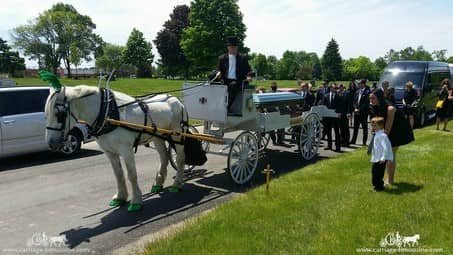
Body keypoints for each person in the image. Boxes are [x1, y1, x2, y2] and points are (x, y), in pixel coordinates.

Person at [369, 89, 414, 185]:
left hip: (397, 130)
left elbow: (389, 121)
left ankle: (390, 180)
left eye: (373, 98)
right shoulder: (374, 105)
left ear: (379, 98)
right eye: (370, 98)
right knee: (388, 155)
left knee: (391, 155)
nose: (371, 100)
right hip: (386, 130)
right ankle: (387, 178)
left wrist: (384, 137)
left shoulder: (389, 107)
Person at [215, 36, 252, 112]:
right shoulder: (222, 58)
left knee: (233, 85)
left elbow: (249, 70)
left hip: (238, 81)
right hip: (225, 80)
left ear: (237, 48)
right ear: (228, 47)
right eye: (231, 47)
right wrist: (218, 72)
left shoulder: (243, 58)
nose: (233, 49)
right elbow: (218, 69)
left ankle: (227, 107)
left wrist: (249, 76)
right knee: (214, 84)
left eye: (235, 47)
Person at [368, 117, 393, 192]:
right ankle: (377, 186)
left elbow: (386, 148)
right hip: (377, 158)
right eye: (372, 125)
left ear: (381, 126)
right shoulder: (377, 134)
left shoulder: (382, 136)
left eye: (374, 125)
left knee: (377, 174)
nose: (372, 127)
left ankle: (378, 187)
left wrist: (383, 158)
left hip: (381, 159)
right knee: (374, 172)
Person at [350, 79, 370, 146]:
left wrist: (359, 109)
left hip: (363, 113)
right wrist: (355, 108)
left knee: (364, 128)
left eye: (360, 83)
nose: (359, 85)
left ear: (363, 84)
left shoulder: (367, 92)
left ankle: (364, 142)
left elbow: (366, 103)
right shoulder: (357, 91)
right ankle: (353, 140)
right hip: (356, 112)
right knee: (355, 127)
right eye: (358, 84)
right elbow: (354, 101)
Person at [322, 83, 341, 152]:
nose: (336, 89)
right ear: (331, 88)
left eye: (336, 88)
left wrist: (337, 112)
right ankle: (329, 145)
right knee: (328, 131)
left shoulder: (339, 96)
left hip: (335, 117)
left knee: (336, 132)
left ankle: (338, 147)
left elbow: (340, 106)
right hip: (327, 117)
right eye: (334, 88)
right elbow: (323, 105)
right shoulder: (325, 96)